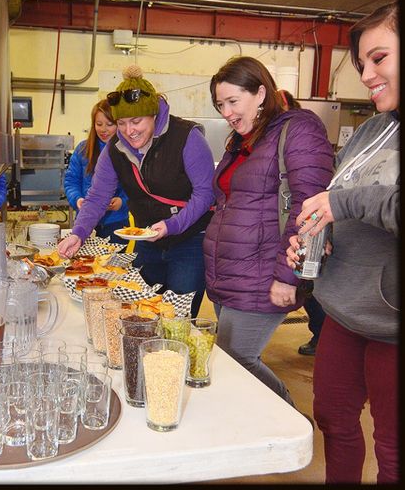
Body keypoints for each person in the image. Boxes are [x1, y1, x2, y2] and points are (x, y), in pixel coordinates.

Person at [286, 1, 399, 483]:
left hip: (392, 323)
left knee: (393, 449)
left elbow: (354, 201)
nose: (367, 74)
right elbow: (338, 198)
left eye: (379, 58)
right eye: (361, 65)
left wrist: (344, 206)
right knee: (332, 419)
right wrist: (317, 236)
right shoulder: (371, 130)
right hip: (343, 310)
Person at [203, 56, 334, 406]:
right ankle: (257, 431)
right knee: (229, 359)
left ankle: (288, 424)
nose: (227, 112)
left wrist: (288, 276)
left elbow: (310, 210)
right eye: (220, 104)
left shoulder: (299, 129)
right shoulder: (242, 140)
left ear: (261, 92)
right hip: (230, 274)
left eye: (233, 101)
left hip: (264, 273)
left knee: (239, 358)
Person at [57, 64, 216, 317]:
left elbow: (205, 194)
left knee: (178, 318)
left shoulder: (187, 138)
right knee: (144, 313)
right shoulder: (114, 149)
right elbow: (98, 197)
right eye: (121, 123)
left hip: (189, 240)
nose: (129, 131)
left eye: (136, 121)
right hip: (148, 241)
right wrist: (78, 233)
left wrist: (172, 225)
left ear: (153, 114)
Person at [278, 89, 327, 356]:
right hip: (295, 228)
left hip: (308, 229)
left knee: (311, 287)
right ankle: (320, 335)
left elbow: (309, 195)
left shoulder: (301, 132)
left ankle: (321, 335)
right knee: (309, 290)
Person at [64, 99, 129, 244]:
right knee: (84, 265)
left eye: (109, 124)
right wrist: (77, 199)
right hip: (86, 223)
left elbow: (135, 186)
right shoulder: (83, 149)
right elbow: (71, 181)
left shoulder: (127, 151)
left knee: (113, 265)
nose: (103, 129)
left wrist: (122, 201)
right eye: (99, 124)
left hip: (116, 224)